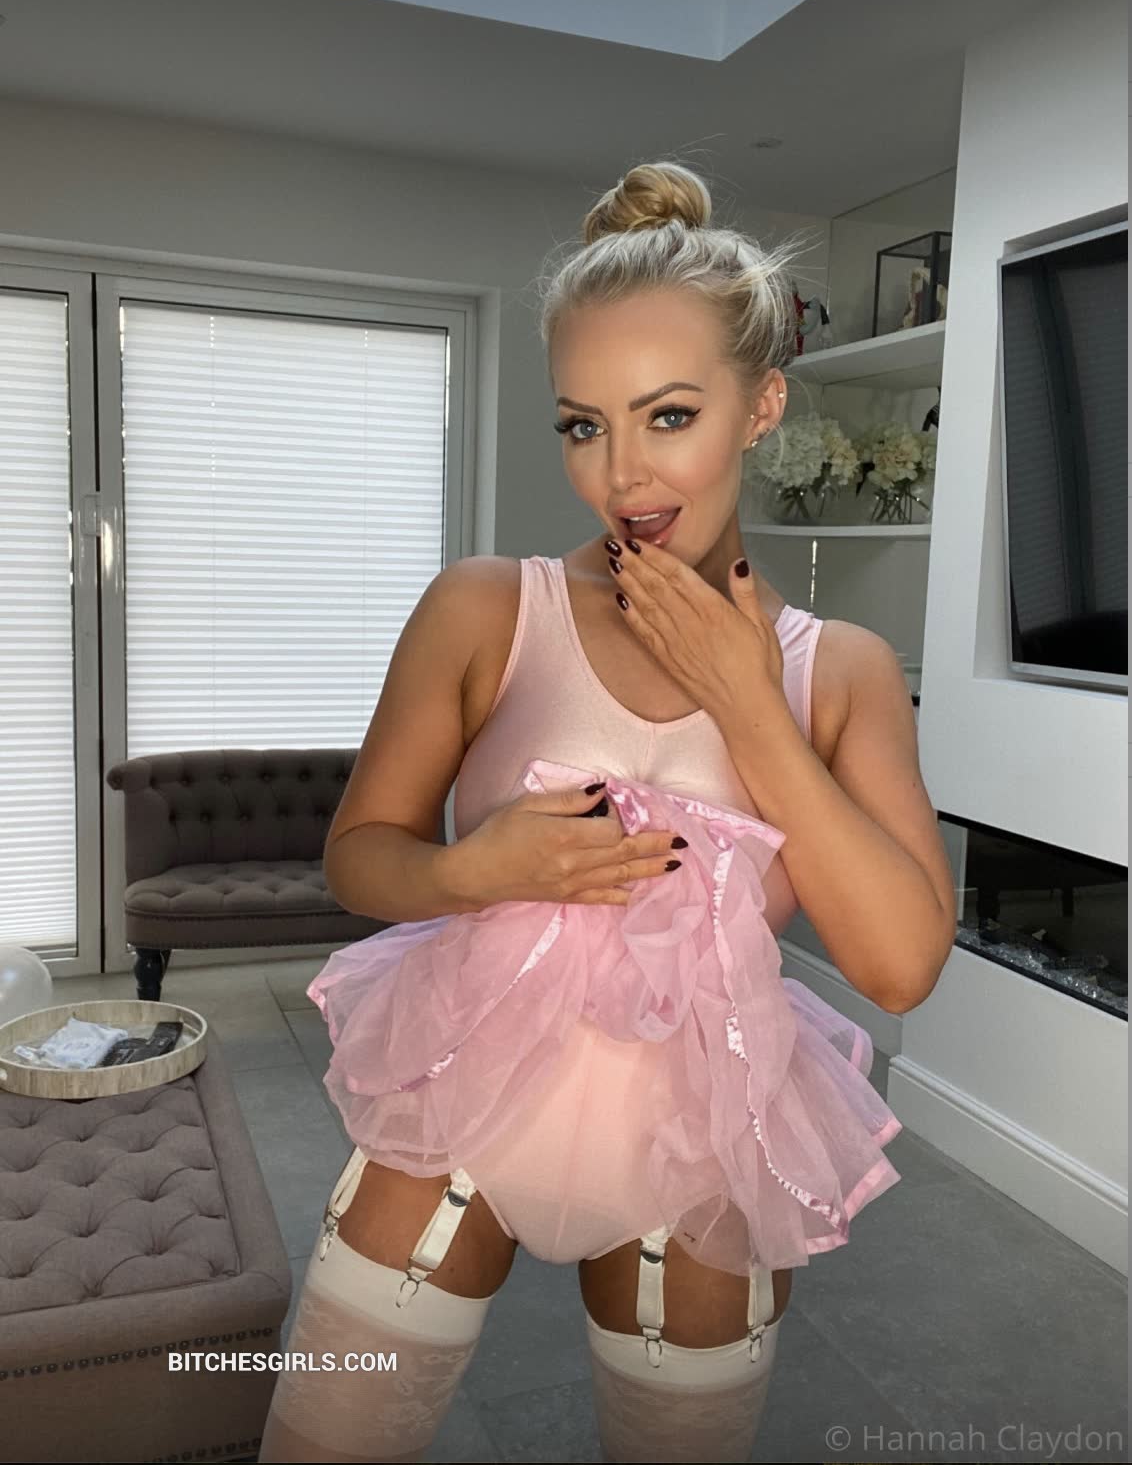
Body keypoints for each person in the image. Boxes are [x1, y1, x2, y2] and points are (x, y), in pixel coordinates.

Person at [258, 160, 957, 1464]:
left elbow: (902, 964)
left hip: (705, 1123)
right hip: (464, 1089)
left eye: (669, 415)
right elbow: (359, 858)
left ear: (763, 405)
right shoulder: (487, 606)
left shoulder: (842, 673)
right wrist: (473, 872)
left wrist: (750, 704)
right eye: (583, 426)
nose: (622, 473)